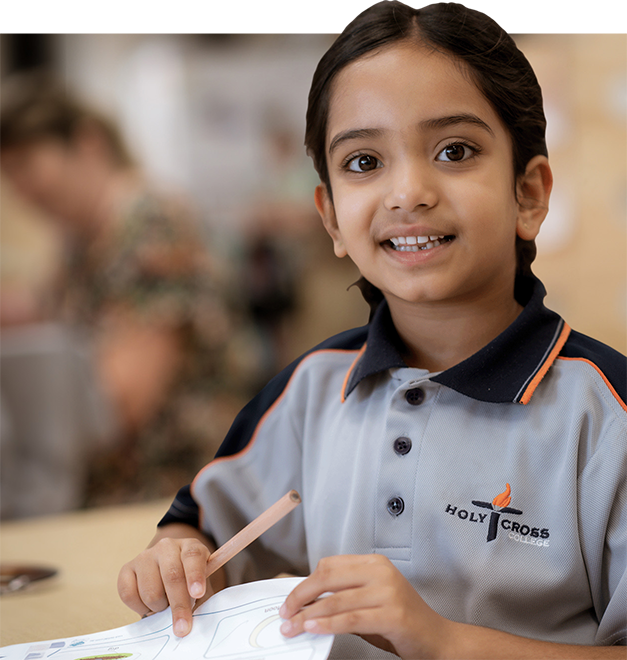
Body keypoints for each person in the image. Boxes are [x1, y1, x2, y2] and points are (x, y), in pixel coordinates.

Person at [117, 3, 627, 658]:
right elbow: (198, 531)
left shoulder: (604, 415)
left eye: (454, 150)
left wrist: (442, 642)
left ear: (527, 194)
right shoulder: (311, 388)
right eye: (363, 162)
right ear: (330, 217)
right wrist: (175, 558)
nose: (407, 191)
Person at [0, 73, 239, 508]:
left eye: (27, 165)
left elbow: (123, 405)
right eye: (9, 173)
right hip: (114, 486)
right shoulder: (81, 241)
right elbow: (34, 306)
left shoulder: (150, 225)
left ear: (88, 143)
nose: (21, 189)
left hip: (169, 493)